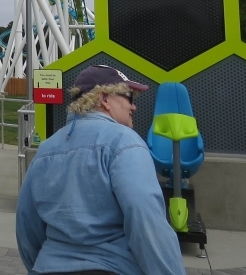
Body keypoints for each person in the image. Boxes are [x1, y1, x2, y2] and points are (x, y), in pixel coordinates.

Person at [16, 65, 185, 275]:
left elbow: (26, 224)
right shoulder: (124, 141)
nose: (134, 107)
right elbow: (146, 221)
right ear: (104, 99)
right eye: (129, 98)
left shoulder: (46, 149)